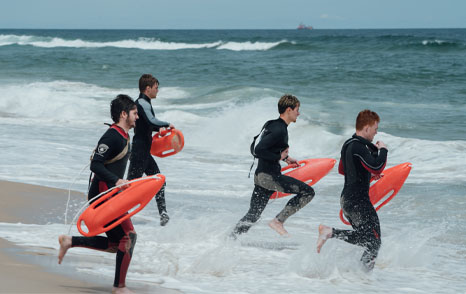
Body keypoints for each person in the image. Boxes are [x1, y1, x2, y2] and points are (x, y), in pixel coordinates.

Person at [58, 94, 139, 294]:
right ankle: (119, 287)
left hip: (111, 192)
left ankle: (70, 241)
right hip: (103, 193)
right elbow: (96, 164)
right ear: (123, 114)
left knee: (115, 243)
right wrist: (116, 181)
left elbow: (115, 164)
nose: (137, 117)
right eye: (135, 113)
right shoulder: (112, 136)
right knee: (129, 236)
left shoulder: (124, 135)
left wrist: (121, 181)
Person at [231, 94, 315, 237]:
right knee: (308, 192)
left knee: (253, 215)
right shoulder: (279, 129)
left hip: (261, 176)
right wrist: (279, 157)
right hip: (270, 177)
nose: (298, 113)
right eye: (297, 110)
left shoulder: (274, 125)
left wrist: (286, 158)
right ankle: (278, 221)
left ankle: (230, 239)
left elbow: (268, 149)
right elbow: (259, 150)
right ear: (289, 110)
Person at [316, 109, 388, 271]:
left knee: (368, 240)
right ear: (367, 128)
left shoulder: (348, 144)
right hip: (358, 201)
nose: (376, 133)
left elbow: (344, 169)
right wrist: (383, 149)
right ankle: (330, 232)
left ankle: (359, 277)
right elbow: (377, 166)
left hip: (347, 200)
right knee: (374, 241)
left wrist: (367, 176)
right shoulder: (360, 146)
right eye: (375, 129)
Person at [127, 74, 174, 226]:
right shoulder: (141, 102)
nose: (157, 90)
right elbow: (151, 120)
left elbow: (147, 125)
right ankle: (115, 213)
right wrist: (167, 124)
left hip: (144, 151)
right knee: (130, 187)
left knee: (159, 181)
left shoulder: (144, 103)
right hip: (139, 151)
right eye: (156, 88)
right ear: (148, 88)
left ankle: (163, 215)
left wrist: (158, 129)